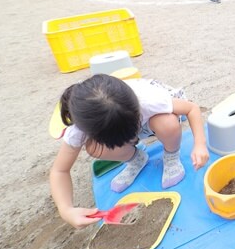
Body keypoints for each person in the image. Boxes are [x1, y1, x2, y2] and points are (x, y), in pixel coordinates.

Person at [49, 74, 209, 229]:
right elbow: (59, 170)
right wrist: (66, 210)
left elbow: (192, 108)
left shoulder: (148, 100)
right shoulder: (81, 128)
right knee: (93, 148)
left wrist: (200, 144)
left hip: (153, 119)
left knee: (167, 124)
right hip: (126, 126)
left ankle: (171, 155)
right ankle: (136, 158)